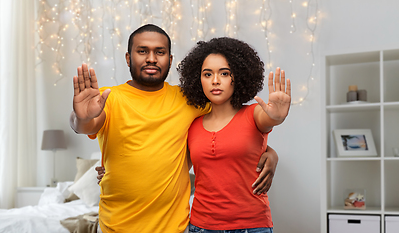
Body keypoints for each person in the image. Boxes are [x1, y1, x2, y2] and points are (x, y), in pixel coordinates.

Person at [71, 24, 279, 233]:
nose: (151, 58)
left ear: (170, 60)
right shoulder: (109, 98)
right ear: (128, 58)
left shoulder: (189, 100)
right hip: (116, 227)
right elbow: (84, 125)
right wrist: (81, 116)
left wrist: (269, 152)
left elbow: (231, 123)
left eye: (159, 52)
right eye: (142, 51)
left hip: (174, 227)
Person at [177, 37, 291, 232]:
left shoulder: (253, 114)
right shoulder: (192, 125)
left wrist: (277, 117)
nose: (215, 80)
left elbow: (268, 120)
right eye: (207, 74)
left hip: (252, 226)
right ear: (198, 80)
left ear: (237, 76)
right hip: (201, 226)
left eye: (224, 73)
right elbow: (176, 169)